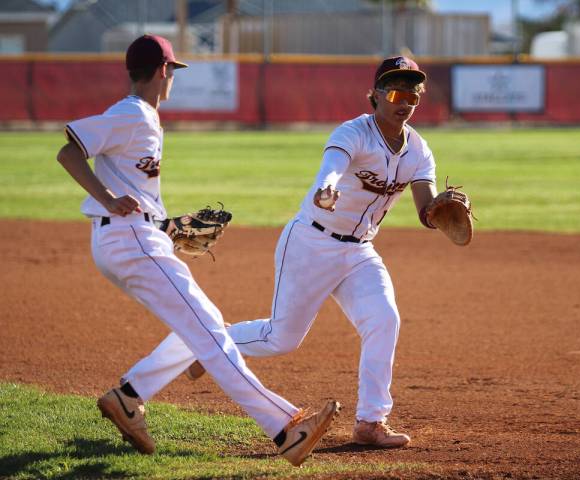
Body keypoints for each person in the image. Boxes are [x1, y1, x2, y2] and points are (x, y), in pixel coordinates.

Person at [126, 56, 444, 448]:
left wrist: (439, 210)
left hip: (360, 251)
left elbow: (425, 210)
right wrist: (325, 188)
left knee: (384, 319)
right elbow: (330, 168)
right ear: (375, 95)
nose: (405, 100)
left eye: (413, 94)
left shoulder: (418, 149)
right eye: (395, 91)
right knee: (281, 339)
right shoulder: (354, 133)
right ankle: (212, 343)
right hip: (311, 242)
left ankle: (370, 422)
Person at [55, 34, 339, 467]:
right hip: (127, 238)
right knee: (208, 330)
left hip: (133, 237)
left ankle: (128, 398)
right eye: (172, 70)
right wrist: (109, 198)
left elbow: (134, 190)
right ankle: (286, 429)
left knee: (206, 326)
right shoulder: (132, 114)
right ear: (162, 70)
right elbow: (68, 151)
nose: (172, 78)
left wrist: (166, 226)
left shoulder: (142, 118)